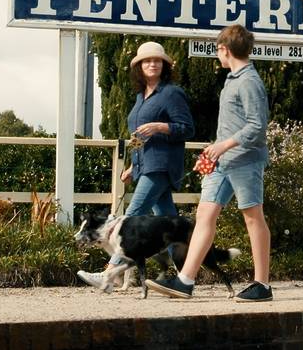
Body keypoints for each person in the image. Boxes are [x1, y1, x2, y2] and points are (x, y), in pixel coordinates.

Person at [148, 23, 272, 302]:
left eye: (218, 51)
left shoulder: (250, 82)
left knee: (253, 218)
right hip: (222, 162)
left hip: (245, 161)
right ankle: (185, 281)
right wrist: (213, 150)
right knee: (204, 214)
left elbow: (257, 127)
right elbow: (234, 126)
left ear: (224, 50)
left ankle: (262, 285)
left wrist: (224, 145)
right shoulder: (233, 79)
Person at [77, 41, 194, 289]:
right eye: (147, 61)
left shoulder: (171, 93)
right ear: (139, 67)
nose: (152, 64)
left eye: (157, 60)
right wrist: (133, 166)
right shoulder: (141, 97)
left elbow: (187, 128)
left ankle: (109, 275)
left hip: (161, 165)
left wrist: (161, 126)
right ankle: (185, 278)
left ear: (164, 65)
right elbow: (138, 139)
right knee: (170, 225)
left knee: (130, 219)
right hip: (146, 166)